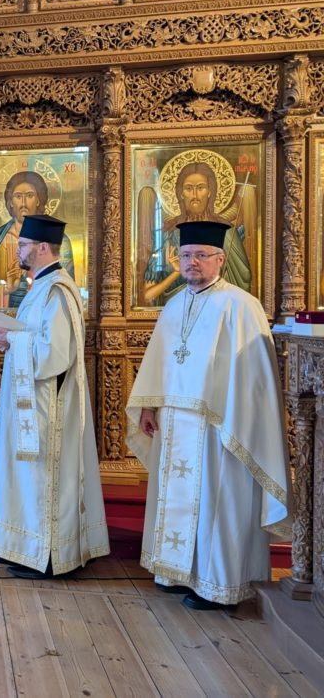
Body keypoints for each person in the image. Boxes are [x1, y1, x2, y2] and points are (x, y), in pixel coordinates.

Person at [126, 221, 290, 609]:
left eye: (201, 255)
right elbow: (160, 362)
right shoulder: (173, 305)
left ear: (220, 259)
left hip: (219, 425)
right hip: (175, 422)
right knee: (179, 498)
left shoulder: (240, 305)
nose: (192, 262)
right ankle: (176, 573)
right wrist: (151, 406)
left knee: (219, 501)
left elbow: (255, 379)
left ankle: (218, 585)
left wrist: (233, 416)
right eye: (185, 255)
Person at [0, 215, 109, 579]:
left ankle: (50, 557)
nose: (17, 250)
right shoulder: (39, 286)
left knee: (45, 479)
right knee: (28, 478)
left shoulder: (56, 291)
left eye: (22, 245)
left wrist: (12, 340)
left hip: (47, 409)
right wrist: (11, 337)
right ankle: (29, 550)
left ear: (42, 248)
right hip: (33, 402)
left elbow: (56, 355)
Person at [141, 162, 251, 306]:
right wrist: (176, 273)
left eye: (201, 188)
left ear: (210, 191)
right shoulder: (168, 237)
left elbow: (242, 279)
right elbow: (148, 294)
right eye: (188, 188)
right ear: (180, 193)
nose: (195, 195)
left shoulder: (227, 233)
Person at [0, 171, 76, 309]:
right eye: (18, 196)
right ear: (10, 202)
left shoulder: (58, 241)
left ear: (38, 200)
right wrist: (6, 289)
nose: (23, 203)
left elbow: (63, 295)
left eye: (29, 195)